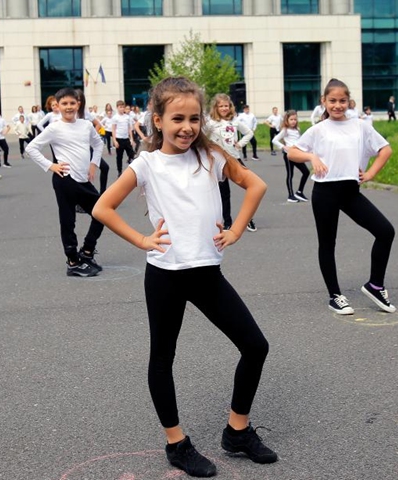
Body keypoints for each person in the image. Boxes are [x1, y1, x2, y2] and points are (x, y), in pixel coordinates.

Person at [92, 77, 274, 478]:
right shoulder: (147, 164)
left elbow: (255, 184)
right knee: (163, 358)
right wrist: (142, 239)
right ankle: (176, 442)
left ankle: (237, 431)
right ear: (158, 120)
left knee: (255, 346)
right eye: (177, 118)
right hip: (166, 276)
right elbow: (102, 207)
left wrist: (237, 228)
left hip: (208, 273)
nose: (187, 126)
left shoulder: (210, 155)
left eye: (194, 118)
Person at [288, 78, 396, 316]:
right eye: (332, 100)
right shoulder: (318, 130)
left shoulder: (360, 125)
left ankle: (375, 285)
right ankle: (335, 295)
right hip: (325, 192)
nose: (337, 105)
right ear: (323, 101)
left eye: (342, 100)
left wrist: (369, 173)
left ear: (349, 101)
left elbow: (385, 149)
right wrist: (312, 158)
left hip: (350, 192)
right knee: (327, 244)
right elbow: (292, 151)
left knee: (385, 231)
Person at [26, 88, 106, 277]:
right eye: (64, 104)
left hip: (83, 179)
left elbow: (98, 144)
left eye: (72, 103)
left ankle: (86, 251)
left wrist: (94, 164)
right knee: (68, 221)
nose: (69, 107)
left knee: (102, 212)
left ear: (78, 104)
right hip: (65, 180)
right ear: (57, 106)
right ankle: (72, 261)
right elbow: (32, 148)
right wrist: (51, 165)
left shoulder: (86, 125)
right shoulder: (54, 127)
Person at [206, 93, 256, 232]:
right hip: (219, 161)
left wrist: (240, 144)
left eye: (226, 106)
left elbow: (249, 133)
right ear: (216, 107)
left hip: (234, 157)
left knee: (251, 186)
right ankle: (227, 221)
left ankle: (248, 219)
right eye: (221, 106)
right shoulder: (210, 123)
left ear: (230, 107)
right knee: (224, 193)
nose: (224, 108)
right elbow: (202, 138)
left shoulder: (234, 121)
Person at [272, 110, 309, 203]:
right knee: (290, 174)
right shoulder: (285, 130)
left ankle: (299, 192)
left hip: (296, 154)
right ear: (287, 120)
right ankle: (290, 195)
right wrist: (284, 147)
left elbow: (299, 141)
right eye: (291, 119)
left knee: (306, 172)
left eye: (295, 119)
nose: (293, 121)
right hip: (288, 155)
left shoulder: (297, 130)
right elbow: (275, 140)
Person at [112, 100, 136, 175]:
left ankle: (132, 168)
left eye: (123, 107)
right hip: (119, 139)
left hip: (126, 139)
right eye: (120, 107)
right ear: (117, 108)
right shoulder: (115, 117)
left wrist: (131, 139)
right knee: (119, 156)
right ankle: (119, 171)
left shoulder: (127, 117)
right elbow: (113, 129)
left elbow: (129, 129)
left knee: (131, 154)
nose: (122, 109)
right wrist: (114, 140)